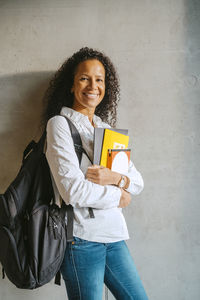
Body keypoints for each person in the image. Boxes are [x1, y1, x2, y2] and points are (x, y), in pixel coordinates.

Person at [42, 47, 148, 300]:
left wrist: (115, 179)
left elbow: (137, 182)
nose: (93, 86)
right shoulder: (59, 125)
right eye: (84, 78)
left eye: (99, 79)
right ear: (71, 85)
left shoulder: (105, 128)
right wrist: (118, 196)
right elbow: (73, 191)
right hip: (81, 240)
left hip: (114, 236)